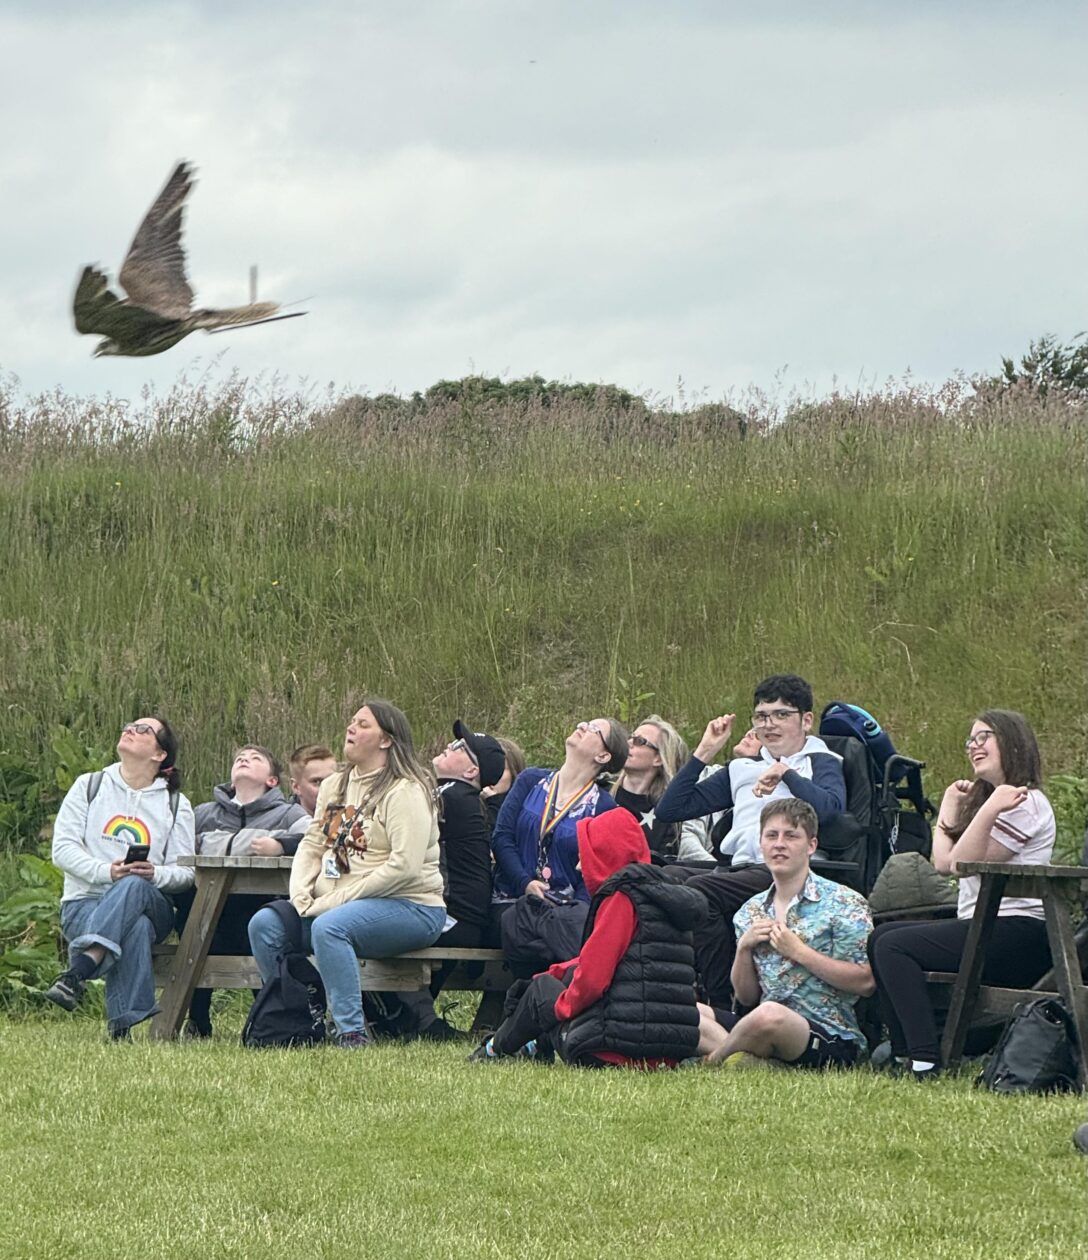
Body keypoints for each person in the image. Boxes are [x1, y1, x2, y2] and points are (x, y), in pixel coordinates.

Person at [867, 710, 1056, 1080]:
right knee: (881, 938)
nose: (974, 746)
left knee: (894, 946)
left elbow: (960, 863)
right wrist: (949, 812)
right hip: (986, 927)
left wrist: (988, 809)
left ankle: (925, 1059)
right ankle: (906, 1054)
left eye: (984, 737)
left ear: (1012, 741)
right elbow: (943, 862)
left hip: (1021, 935)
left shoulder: (1025, 802)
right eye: (971, 740)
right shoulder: (998, 802)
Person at [247, 699, 446, 1048]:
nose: (351, 728)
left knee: (330, 928)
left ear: (386, 740)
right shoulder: (336, 785)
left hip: (411, 906)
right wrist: (301, 893)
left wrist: (334, 901)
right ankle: (297, 1020)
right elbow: (313, 843)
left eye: (363, 724)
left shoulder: (406, 790)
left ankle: (351, 1032)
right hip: (335, 904)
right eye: (352, 721)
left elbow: (404, 866)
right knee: (264, 925)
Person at [655, 674, 847, 1006]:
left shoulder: (820, 760)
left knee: (700, 893)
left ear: (806, 720)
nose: (769, 724)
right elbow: (671, 809)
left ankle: (722, 1000)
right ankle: (669, 994)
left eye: (781, 715)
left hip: (782, 870)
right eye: (761, 716)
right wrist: (704, 752)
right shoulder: (742, 767)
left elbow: (831, 811)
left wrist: (786, 773)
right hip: (734, 868)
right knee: (658, 880)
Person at [470, 808, 707, 1067]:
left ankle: (494, 1050)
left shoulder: (621, 898)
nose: (579, 866)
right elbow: (629, 964)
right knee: (552, 981)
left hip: (614, 1049)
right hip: (667, 1051)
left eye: (585, 855)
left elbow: (594, 978)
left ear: (607, 853)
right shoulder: (670, 898)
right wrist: (559, 972)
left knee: (541, 992)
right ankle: (533, 1046)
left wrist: (561, 1006)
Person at [44, 717, 196, 1039]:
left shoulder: (176, 804)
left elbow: (185, 874)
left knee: (134, 884)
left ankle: (80, 970)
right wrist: (108, 871)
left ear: (160, 755)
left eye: (144, 730)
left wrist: (154, 873)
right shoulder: (89, 785)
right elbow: (62, 851)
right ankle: (121, 1028)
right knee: (134, 925)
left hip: (153, 903)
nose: (130, 730)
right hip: (84, 904)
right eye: (129, 725)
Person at [700, 798, 875, 1069]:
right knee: (691, 1012)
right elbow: (746, 997)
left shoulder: (844, 903)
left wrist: (799, 952)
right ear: (761, 844)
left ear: (811, 846)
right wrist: (744, 949)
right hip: (759, 1018)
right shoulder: (751, 910)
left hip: (827, 1033)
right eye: (771, 835)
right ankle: (752, 1057)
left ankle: (717, 1059)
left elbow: (864, 982)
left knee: (771, 1016)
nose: (779, 843)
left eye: (791, 836)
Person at [183, 745, 311, 1037]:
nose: (244, 760)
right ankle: (196, 1020)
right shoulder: (203, 814)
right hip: (205, 911)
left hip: (259, 907)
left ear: (272, 780)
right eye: (240, 758)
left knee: (256, 928)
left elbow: (315, 838)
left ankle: (266, 1020)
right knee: (196, 924)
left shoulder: (288, 813)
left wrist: (281, 846)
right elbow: (177, 847)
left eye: (256, 759)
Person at [490, 718, 628, 909]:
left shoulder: (604, 808)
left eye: (593, 729)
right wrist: (524, 883)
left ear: (603, 756)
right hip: (509, 899)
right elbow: (502, 837)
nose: (581, 726)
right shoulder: (530, 780)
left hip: (561, 914)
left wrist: (574, 914)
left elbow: (594, 871)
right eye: (585, 723)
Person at [611, 715, 713, 861]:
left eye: (639, 741)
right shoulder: (601, 791)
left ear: (658, 759)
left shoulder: (667, 814)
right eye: (630, 737)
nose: (628, 743)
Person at [481, 736, 526, 833]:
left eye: (500, 768)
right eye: (486, 767)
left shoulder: (526, 812)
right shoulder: (469, 805)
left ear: (514, 773)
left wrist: (494, 801)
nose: (491, 774)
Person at [288, 743, 339, 817]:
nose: (328, 787)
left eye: (332, 780)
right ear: (296, 787)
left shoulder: (353, 819)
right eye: (317, 782)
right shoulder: (282, 825)